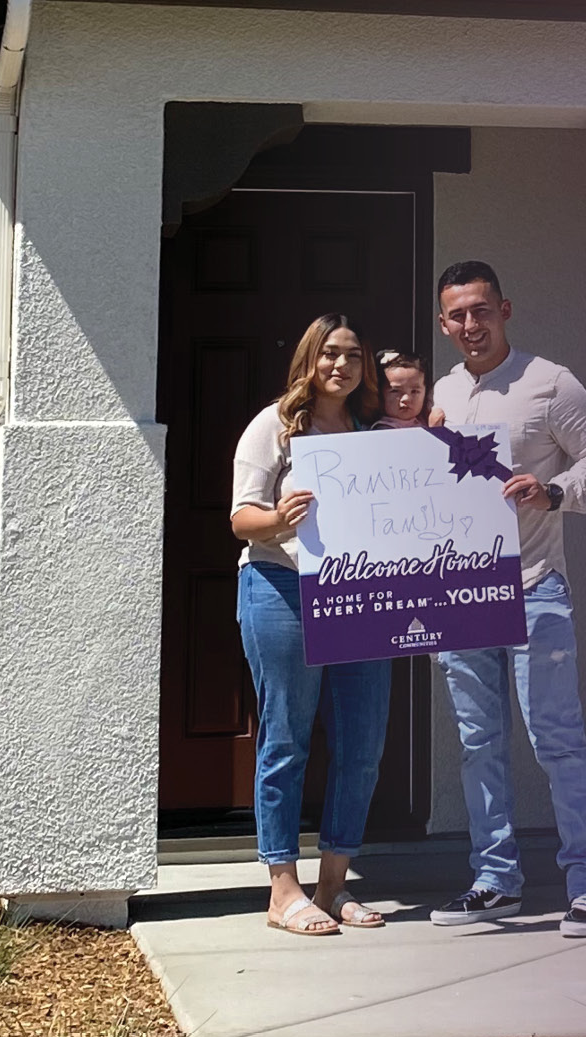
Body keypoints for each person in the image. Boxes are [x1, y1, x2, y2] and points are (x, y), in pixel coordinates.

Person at [419, 261, 586, 939]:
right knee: (479, 744)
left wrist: (556, 490)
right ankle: (495, 878)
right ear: (443, 322)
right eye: (457, 315)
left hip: (536, 585)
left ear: (505, 309)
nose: (470, 326)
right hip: (461, 598)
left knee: (557, 740)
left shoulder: (549, 381)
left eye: (481, 311)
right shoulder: (439, 393)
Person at [226, 314, 396, 936]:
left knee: (363, 747)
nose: (341, 365)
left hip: (359, 597)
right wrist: (278, 519)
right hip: (280, 589)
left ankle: (332, 886)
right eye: (329, 353)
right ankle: (282, 888)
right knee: (286, 739)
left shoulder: (374, 432)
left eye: (353, 355)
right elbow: (241, 519)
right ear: (309, 359)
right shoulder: (274, 426)